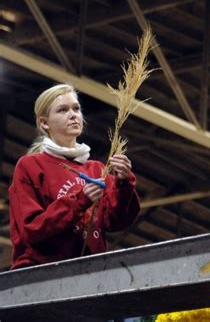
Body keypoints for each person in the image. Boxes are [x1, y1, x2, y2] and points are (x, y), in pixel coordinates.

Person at [8, 83, 140, 270]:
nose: (73, 115)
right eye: (62, 110)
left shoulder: (97, 169)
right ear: (44, 122)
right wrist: (80, 200)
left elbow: (117, 221)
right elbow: (31, 229)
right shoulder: (30, 165)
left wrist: (124, 183)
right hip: (40, 273)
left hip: (91, 273)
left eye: (76, 109)